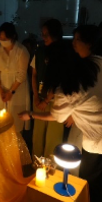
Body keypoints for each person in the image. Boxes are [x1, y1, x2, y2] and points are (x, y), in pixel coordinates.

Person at [19, 25, 102, 202]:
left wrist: (31, 115)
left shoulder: (67, 87)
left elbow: (56, 117)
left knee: (92, 184)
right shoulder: (99, 61)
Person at [30, 18, 65, 159]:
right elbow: (34, 74)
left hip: (57, 101)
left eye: (46, 34)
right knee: (37, 135)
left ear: (55, 34)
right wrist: (36, 97)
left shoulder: (63, 53)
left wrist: (46, 100)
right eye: (42, 34)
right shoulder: (40, 51)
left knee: (53, 138)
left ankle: (50, 168)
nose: (43, 37)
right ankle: (36, 163)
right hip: (39, 98)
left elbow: (60, 81)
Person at [0, 22, 31, 133]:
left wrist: (10, 92)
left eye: (5, 39)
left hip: (17, 88)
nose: (2, 41)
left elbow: (21, 75)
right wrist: (1, 90)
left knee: (15, 118)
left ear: (13, 36)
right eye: (0, 38)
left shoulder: (22, 51)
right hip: (1, 86)